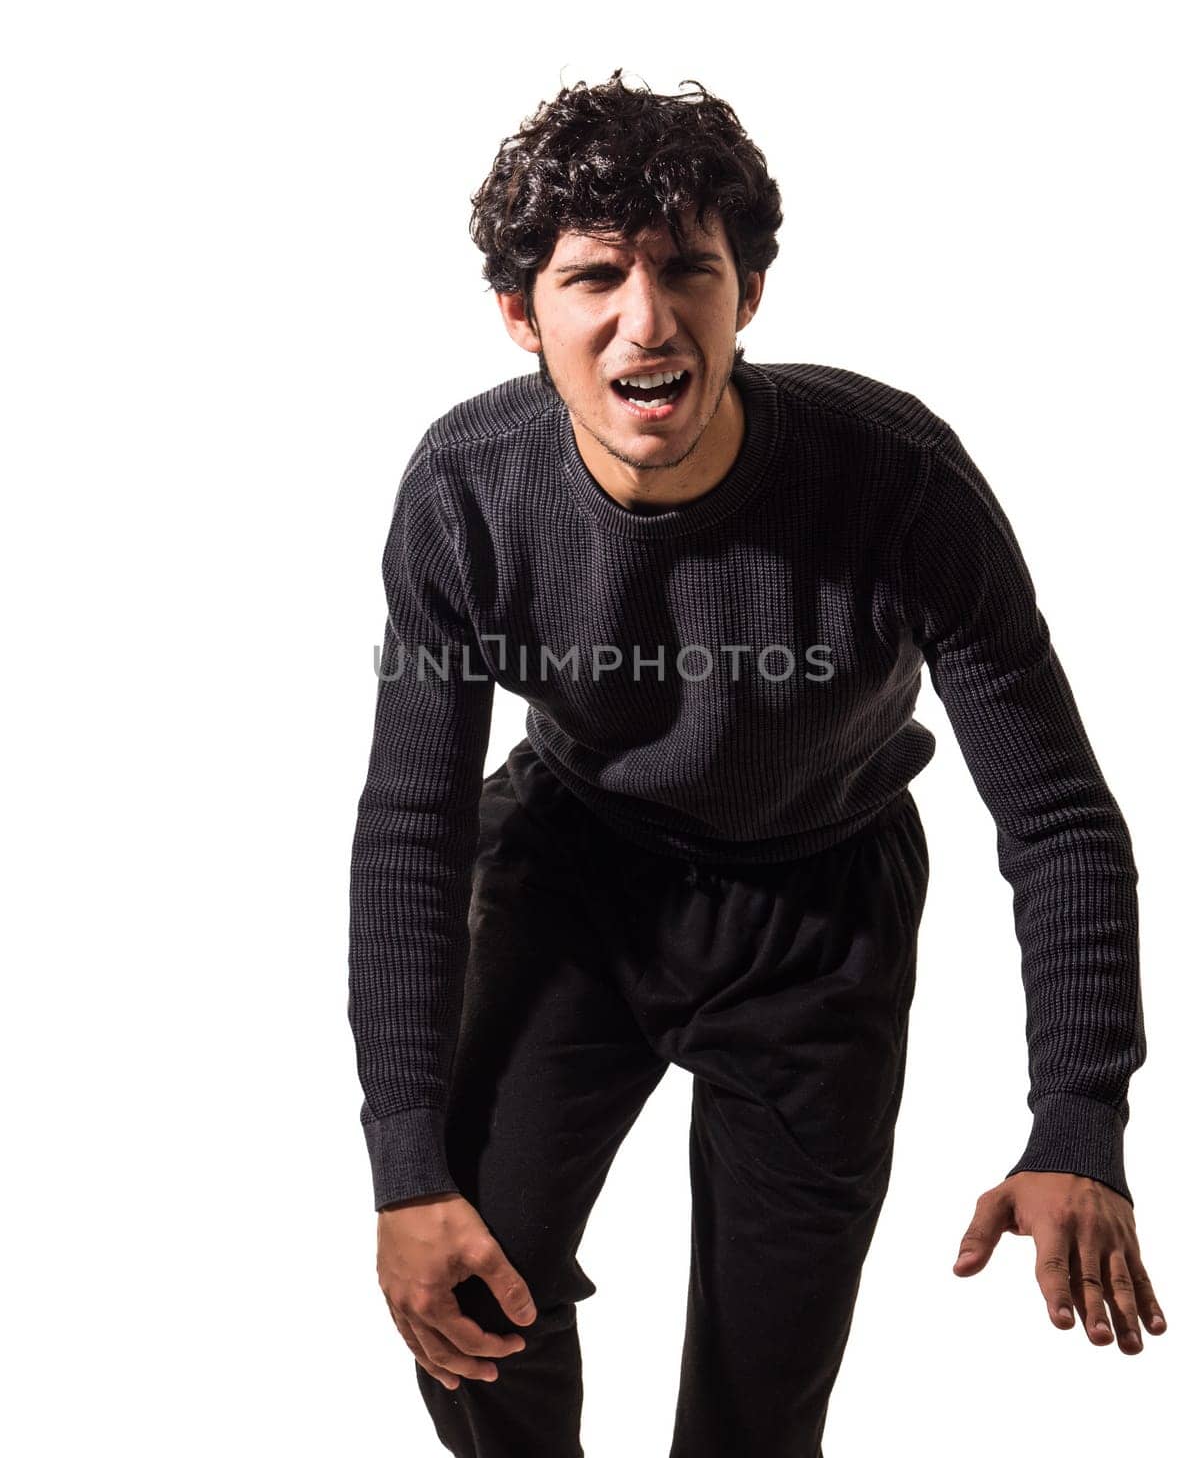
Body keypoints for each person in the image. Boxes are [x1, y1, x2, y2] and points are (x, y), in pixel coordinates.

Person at [347, 70, 1166, 1457]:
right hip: (577, 878)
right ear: (520, 315)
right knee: (470, 1288)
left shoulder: (893, 478)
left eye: (688, 270)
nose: (645, 319)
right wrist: (404, 1165)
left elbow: (1058, 814)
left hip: (820, 911)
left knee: (763, 1400)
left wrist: (1078, 1116)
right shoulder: (468, 493)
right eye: (594, 276)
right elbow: (410, 830)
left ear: (750, 295)